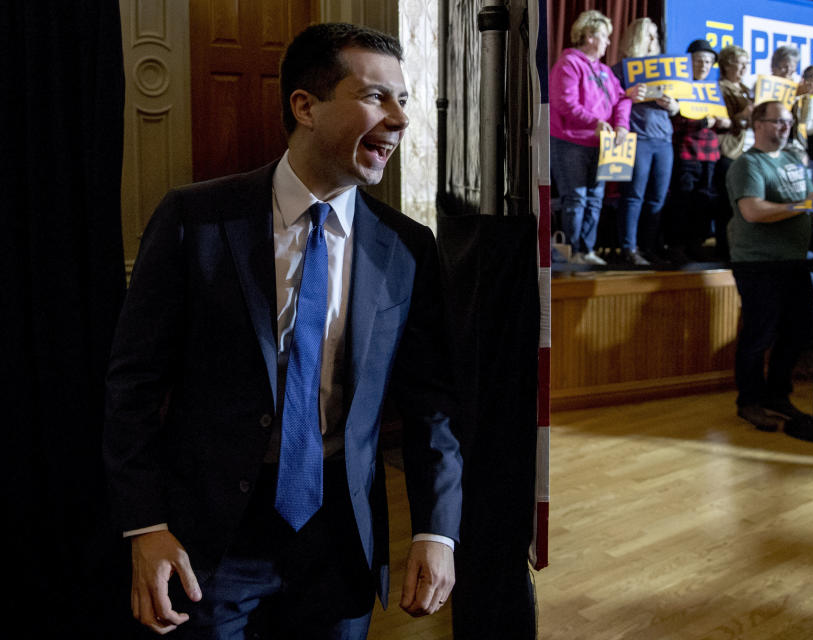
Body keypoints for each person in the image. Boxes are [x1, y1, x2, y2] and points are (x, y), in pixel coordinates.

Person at [103, 23, 463, 639]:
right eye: (377, 96)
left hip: (341, 541)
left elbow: (431, 405)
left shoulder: (407, 248)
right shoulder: (195, 220)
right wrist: (146, 524)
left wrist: (437, 530)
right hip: (211, 545)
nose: (400, 118)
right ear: (306, 106)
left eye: (403, 99)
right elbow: (132, 387)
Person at [726, 101, 813, 432]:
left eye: (788, 122)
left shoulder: (793, 160)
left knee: (797, 330)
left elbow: (810, 205)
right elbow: (753, 211)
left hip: (795, 260)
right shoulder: (746, 165)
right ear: (758, 124)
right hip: (759, 263)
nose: (785, 127)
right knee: (759, 334)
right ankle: (750, 402)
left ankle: (777, 395)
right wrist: (804, 205)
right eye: (777, 122)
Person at [550, 9, 632, 265]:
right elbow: (565, 102)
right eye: (604, 36)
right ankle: (572, 252)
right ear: (589, 36)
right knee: (576, 198)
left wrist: (621, 125)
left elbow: (622, 99)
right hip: (571, 142)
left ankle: (587, 250)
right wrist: (593, 122)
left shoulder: (605, 71)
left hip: (603, 143)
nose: (609, 42)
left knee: (596, 198)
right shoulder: (569, 63)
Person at [611, 18, 678, 266]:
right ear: (636, 38)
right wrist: (629, 95)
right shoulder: (622, 69)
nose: (653, 40)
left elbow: (679, 103)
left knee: (657, 198)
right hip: (637, 137)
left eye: (655, 35)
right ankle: (628, 248)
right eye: (648, 35)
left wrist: (673, 105)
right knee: (633, 195)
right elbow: (611, 99)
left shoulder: (667, 68)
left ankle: (648, 247)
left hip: (664, 138)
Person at [665, 39, 729, 262]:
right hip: (685, 151)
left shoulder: (713, 89)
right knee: (683, 199)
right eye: (699, 61)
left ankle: (696, 243)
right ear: (688, 62)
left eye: (708, 62)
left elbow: (724, 120)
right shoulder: (678, 87)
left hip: (711, 153)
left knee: (704, 201)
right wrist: (702, 121)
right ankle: (677, 244)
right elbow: (674, 120)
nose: (704, 66)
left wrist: (723, 122)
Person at [714, 45, 754, 261]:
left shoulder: (747, 89)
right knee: (726, 205)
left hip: (748, 152)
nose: (745, 68)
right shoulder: (720, 87)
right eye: (741, 63)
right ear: (727, 65)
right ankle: (723, 250)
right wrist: (744, 113)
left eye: (747, 64)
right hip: (729, 151)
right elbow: (725, 120)